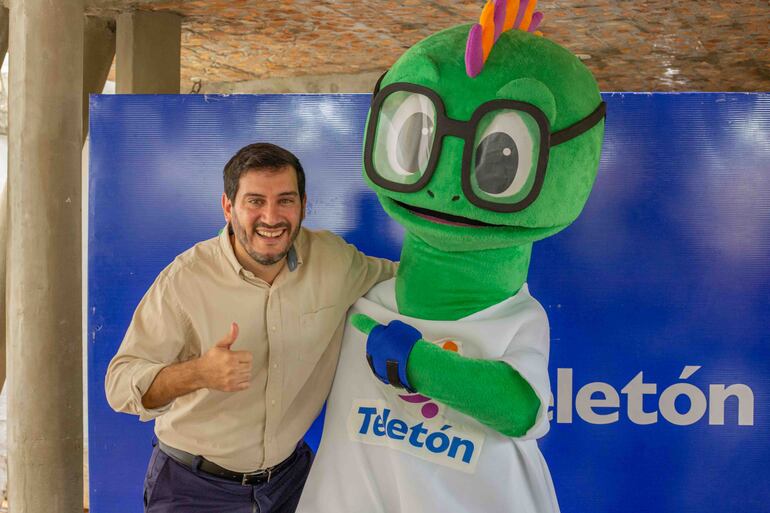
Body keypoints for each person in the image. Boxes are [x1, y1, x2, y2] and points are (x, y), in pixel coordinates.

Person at [105, 142, 396, 513]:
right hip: (193, 489)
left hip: (289, 483)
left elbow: (402, 282)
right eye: (255, 201)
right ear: (228, 207)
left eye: (285, 201)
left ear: (304, 205)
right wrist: (199, 373)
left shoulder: (334, 260)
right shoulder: (186, 279)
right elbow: (119, 385)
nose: (271, 217)